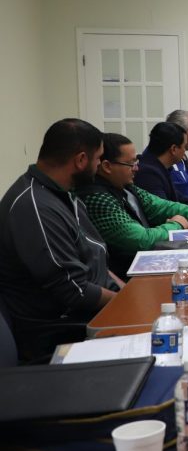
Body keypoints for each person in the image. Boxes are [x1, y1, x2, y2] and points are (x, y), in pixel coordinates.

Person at [0, 119, 121, 361]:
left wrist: (129, 293)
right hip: (61, 333)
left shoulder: (61, 192)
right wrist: (126, 303)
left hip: (88, 314)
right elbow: (76, 291)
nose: (99, 165)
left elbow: (94, 257)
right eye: (98, 158)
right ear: (81, 160)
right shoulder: (34, 208)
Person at [80, 133, 188, 277]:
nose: (136, 168)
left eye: (136, 162)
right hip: (130, 274)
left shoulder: (125, 186)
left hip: (146, 263)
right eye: (130, 164)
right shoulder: (97, 198)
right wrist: (177, 225)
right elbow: (141, 240)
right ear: (107, 166)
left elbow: (162, 206)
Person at [133, 121, 186, 202]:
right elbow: (164, 208)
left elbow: (178, 197)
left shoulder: (160, 166)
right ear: (174, 149)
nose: (185, 151)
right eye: (184, 146)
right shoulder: (148, 174)